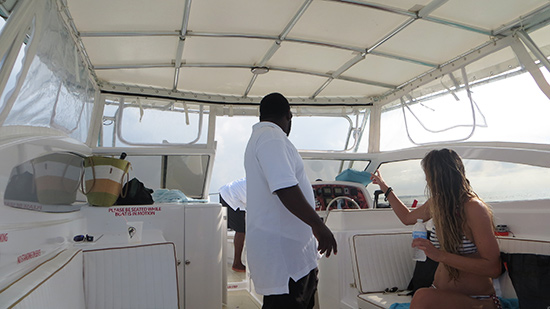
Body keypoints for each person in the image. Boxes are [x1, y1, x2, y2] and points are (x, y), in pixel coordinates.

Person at [370, 149, 502, 309]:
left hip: (474, 298)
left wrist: (439, 255)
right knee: (423, 296)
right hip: (439, 295)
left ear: (437, 176)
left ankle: (485, 306)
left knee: (422, 297)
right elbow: (407, 218)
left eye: (428, 175)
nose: (426, 180)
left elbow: (493, 268)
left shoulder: (474, 208)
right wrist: (385, 188)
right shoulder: (437, 204)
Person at [244, 92, 338, 309]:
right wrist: (318, 225)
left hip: (288, 255)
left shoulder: (261, 138)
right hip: (286, 257)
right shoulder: (271, 138)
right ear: (288, 116)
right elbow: (285, 188)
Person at [219, 177, 247, 272]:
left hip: (227, 192)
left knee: (239, 227)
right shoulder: (263, 185)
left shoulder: (259, 179)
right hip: (231, 196)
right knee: (241, 230)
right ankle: (237, 263)